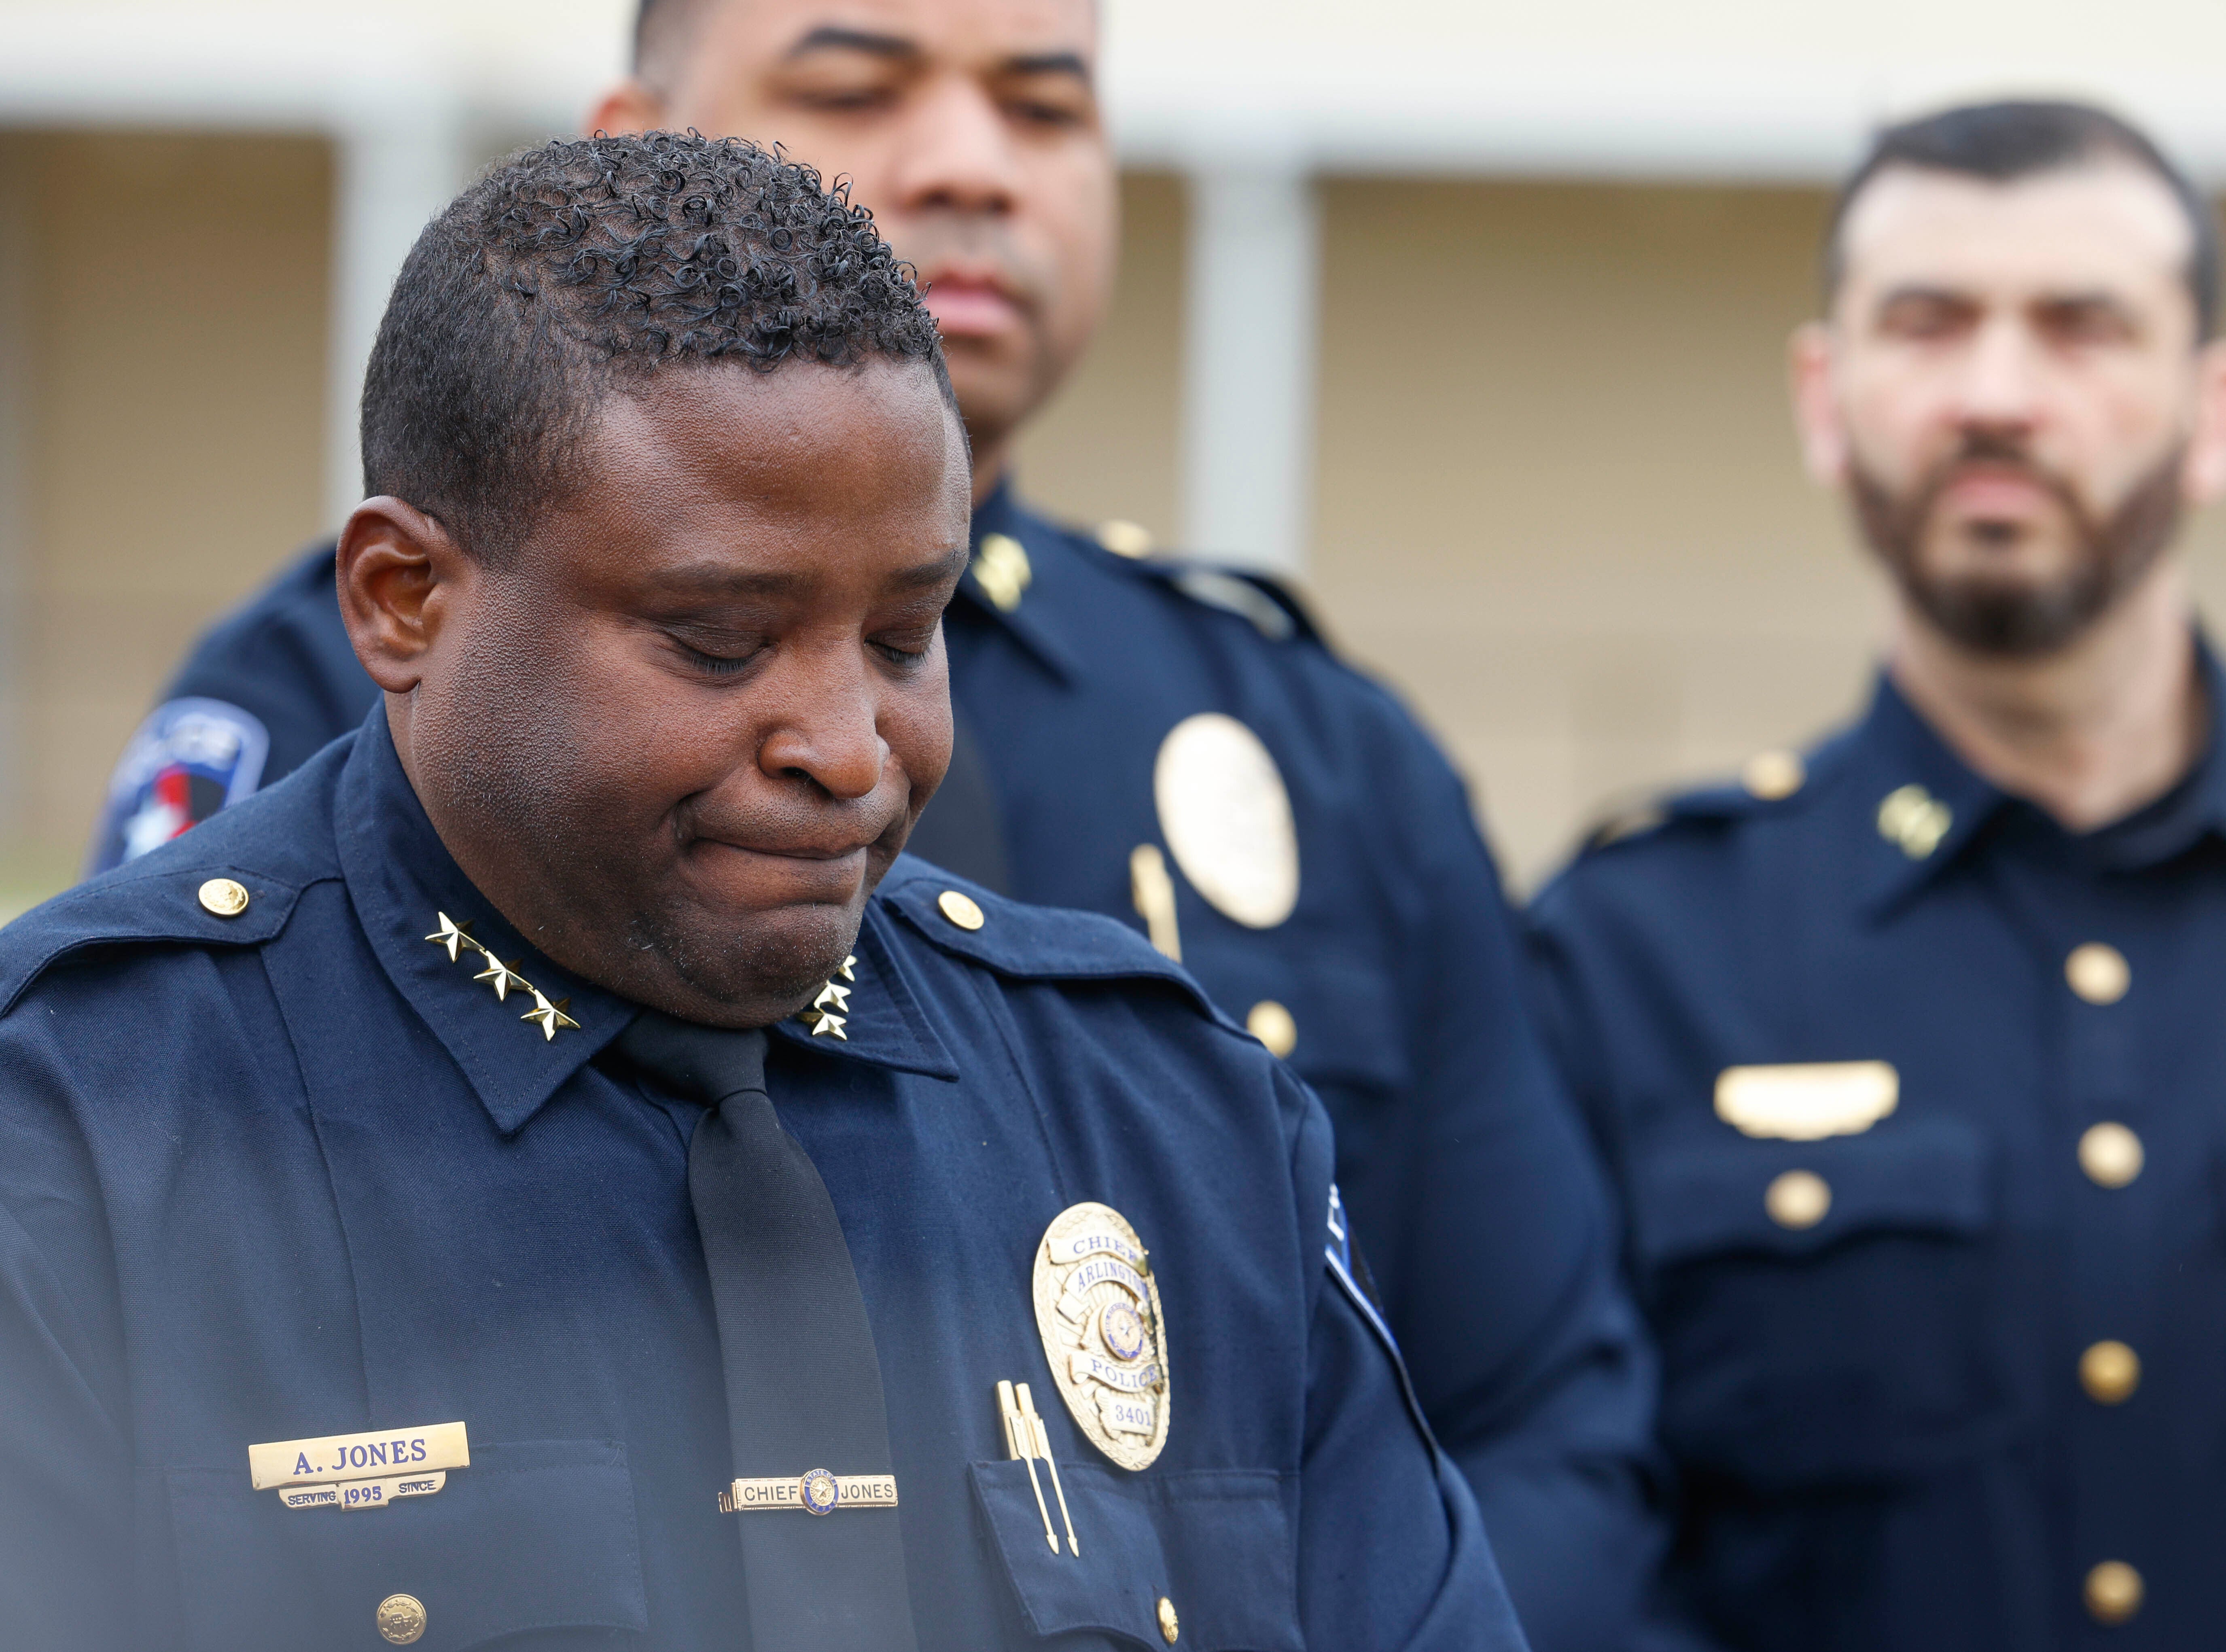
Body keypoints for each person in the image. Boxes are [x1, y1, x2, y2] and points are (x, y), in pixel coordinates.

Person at [88, 2, 1672, 1643]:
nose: (970, 167)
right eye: (857, 86)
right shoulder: (300, 758)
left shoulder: (1281, 787)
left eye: (1043, 106)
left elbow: (1512, 1427)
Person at [1527, 94, 2226, 1650]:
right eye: (1927, 323)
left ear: (2214, 412)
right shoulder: (1631, 955)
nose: (1995, 392)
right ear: (1823, 399)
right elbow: (1561, 1531)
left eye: (2081, 327)